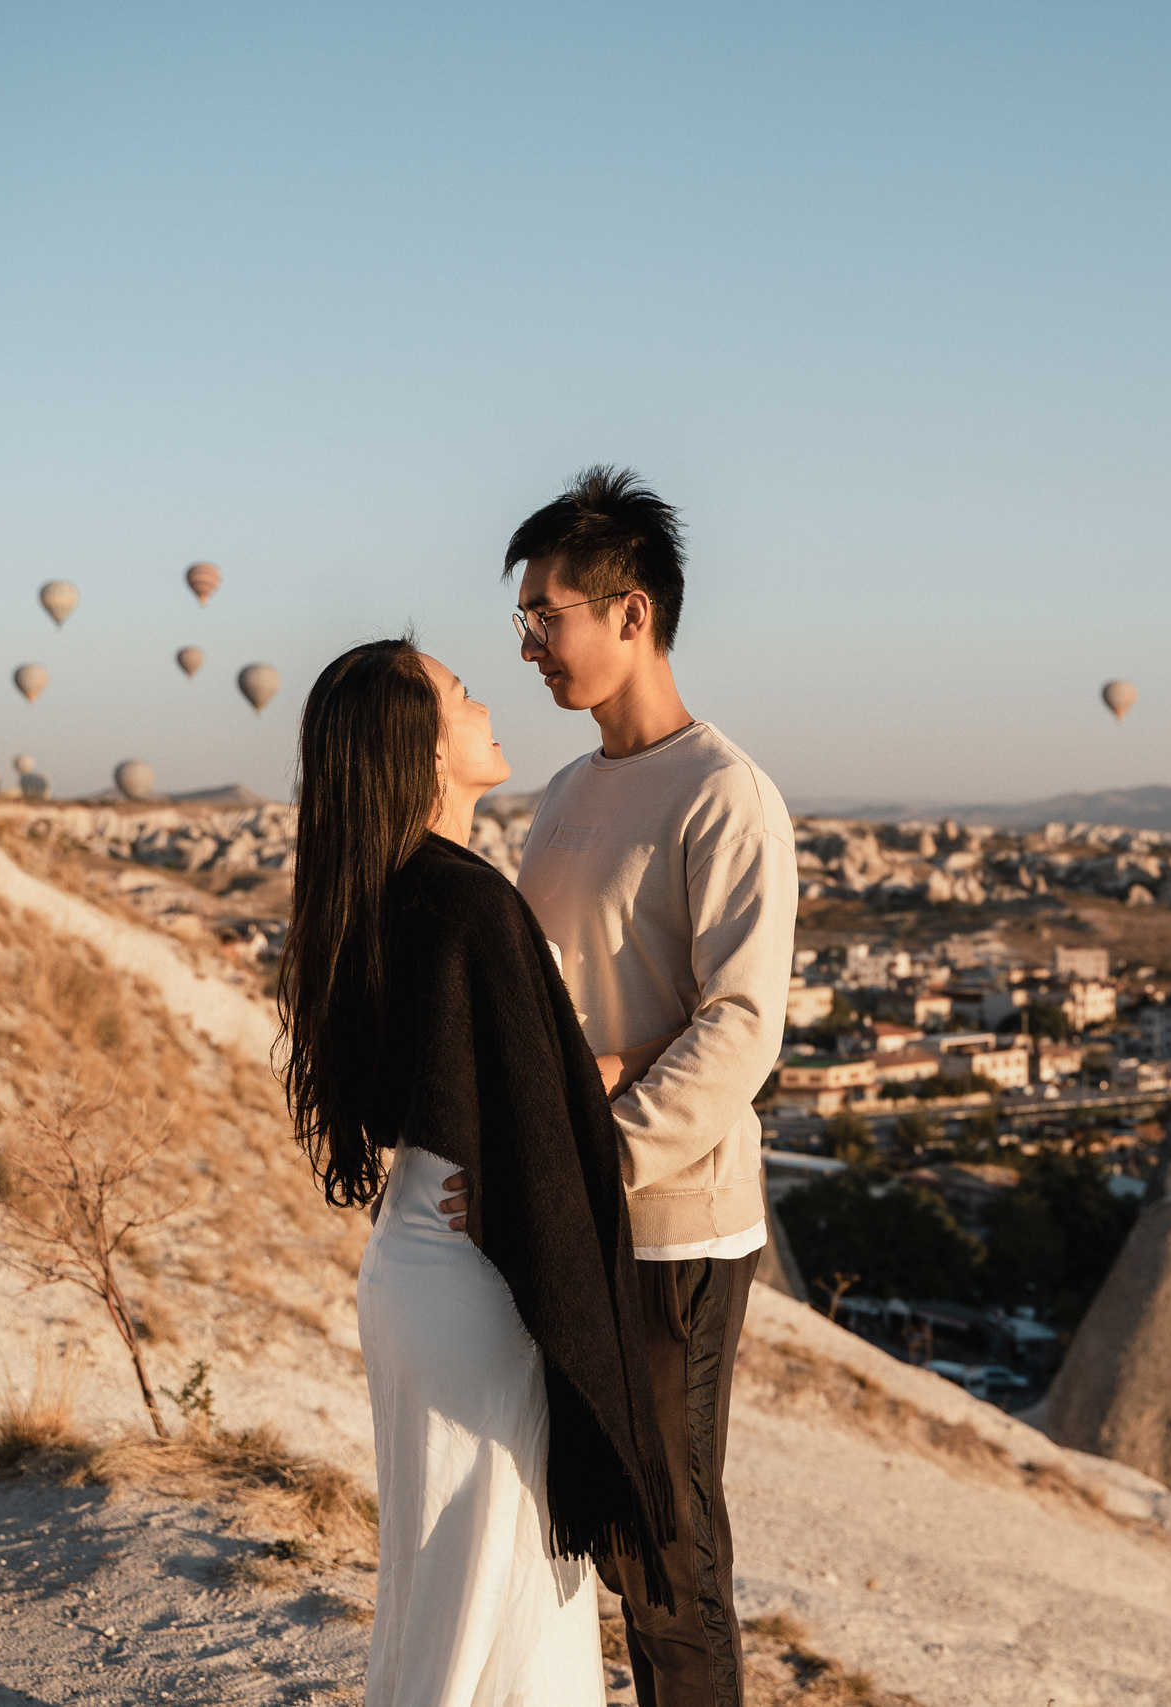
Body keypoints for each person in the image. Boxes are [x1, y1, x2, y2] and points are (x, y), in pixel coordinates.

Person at [277, 638, 676, 1707]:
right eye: (459, 693)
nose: (485, 702)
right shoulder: (466, 904)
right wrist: (635, 1060)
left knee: (452, 1580)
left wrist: (546, 1104)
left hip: (421, 1259)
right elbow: (533, 1115)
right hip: (478, 1274)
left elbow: (479, 1088)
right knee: (487, 1591)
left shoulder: (385, 891)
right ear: (419, 745)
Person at [505, 469, 799, 1707]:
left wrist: (590, 1149)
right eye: (519, 624)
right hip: (571, 1206)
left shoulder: (725, 795)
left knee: (667, 1538)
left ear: (631, 615)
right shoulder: (566, 793)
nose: (526, 648)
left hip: (674, 1222)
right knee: (589, 1518)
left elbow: (739, 1034)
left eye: (544, 618)